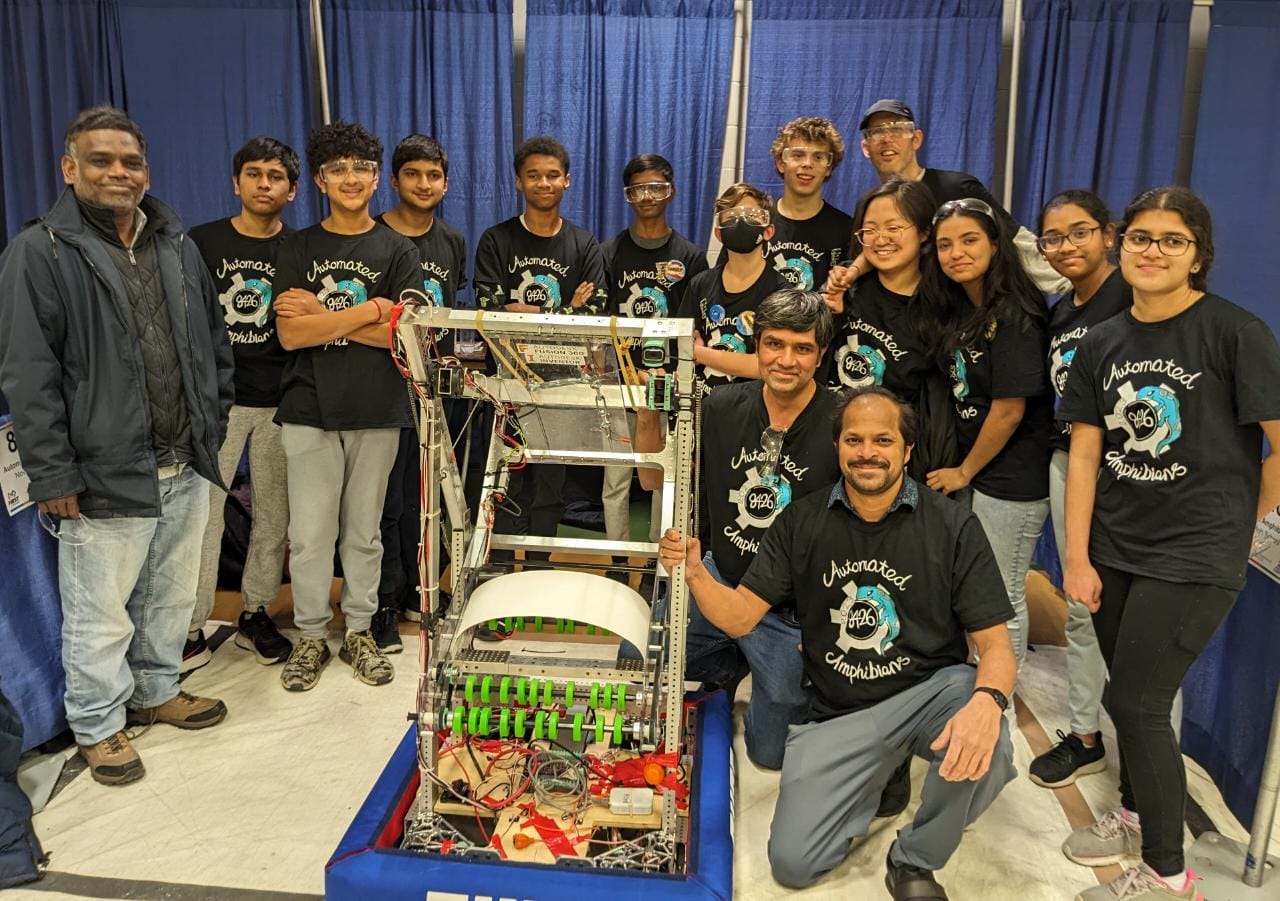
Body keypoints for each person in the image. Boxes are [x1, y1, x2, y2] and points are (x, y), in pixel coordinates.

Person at [658, 386, 1016, 897]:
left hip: (927, 695)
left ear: (907, 450)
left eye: (883, 440)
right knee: (793, 863)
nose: (867, 452)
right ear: (838, 447)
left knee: (988, 735)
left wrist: (988, 702)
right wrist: (696, 573)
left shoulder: (952, 525)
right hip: (838, 712)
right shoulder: (801, 521)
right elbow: (739, 618)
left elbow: (996, 645)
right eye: (854, 440)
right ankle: (875, 773)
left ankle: (914, 859)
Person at [1058, 186, 1280, 901]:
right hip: (1116, 547)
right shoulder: (1103, 341)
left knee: (1140, 704)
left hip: (1193, 556)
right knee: (1128, 695)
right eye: (1141, 237)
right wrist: (1076, 556)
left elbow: (1279, 446)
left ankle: (1168, 876)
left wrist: (1237, 525)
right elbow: (1085, 455)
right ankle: (1134, 812)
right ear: (1121, 245)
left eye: (1172, 240)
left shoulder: (1236, 332)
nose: (1153, 251)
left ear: (1198, 256)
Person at [0, 106, 232, 785]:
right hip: (102, 470)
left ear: (146, 172)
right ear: (69, 169)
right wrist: (51, 474)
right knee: (98, 614)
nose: (118, 173)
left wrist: (211, 424)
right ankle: (99, 725)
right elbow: (28, 375)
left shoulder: (176, 243)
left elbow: (213, 342)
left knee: (168, 597)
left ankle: (155, 691)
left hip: (183, 460)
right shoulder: (39, 252)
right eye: (100, 161)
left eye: (130, 162)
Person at [638, 290, 839, 770]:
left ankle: (755, 661)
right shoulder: (721, 406)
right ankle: (729, 659)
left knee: (770, 755)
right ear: (757, 346)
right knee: (638, 662)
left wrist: (825, 624)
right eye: (774, 344)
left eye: (802, 348)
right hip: (720, 578)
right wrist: (647, 411)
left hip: (791, 611)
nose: (785, 360)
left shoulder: (844, 421)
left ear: (821, 356)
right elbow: (650, 479)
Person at [272, 120, 422, 692]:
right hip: (308, 407)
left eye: (362, 168)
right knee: (310, 534)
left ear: (377, 178)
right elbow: (291, 336)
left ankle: (358, 629)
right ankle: (311, 635)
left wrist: (324, 315)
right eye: (338, 169)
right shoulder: (298, 247)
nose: (351, 178)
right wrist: (369, 310)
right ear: (319, 180)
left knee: (364, 532)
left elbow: (401, 339)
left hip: (377, 408)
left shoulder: (397, 249)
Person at [1025, 189, 1132, 789]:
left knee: (1138, 613)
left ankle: (1146, 751)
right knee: (1081, 599)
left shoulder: (1134, 296)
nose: (1066, 246)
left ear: (1108, 235)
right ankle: (1086, 735)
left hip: (1133, 470)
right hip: (1072, 462)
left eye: (1079, 232)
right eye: (1053, 238)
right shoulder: (1062, 310)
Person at [919, 197, 1051, 669]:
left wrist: (964, 471)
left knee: (1001, 593)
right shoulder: (962, 306)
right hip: (982, 469)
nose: (956, 253)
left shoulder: (1014, 313)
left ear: (996, 244)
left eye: (969, 240)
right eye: (945, 245)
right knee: (977, 588)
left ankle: (999, 698)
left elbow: (1010, 410)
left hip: (1012, 475)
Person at [187, 136, 299, 673]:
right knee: (203, 517)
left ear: (292, 190)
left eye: (275, 177)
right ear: (236, 183)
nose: (263, 184)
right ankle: (189, 626)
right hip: (219, 403)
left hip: (281, 401)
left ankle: (255, 613)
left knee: (274, 517)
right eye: (253, 174)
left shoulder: (300, 249)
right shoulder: (201, 242)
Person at [473, 136, 607, 552]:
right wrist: (565, 308)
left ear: (567, 180)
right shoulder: (497, 240)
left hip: (563, 384)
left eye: (552, 175)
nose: (543, 183)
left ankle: (538, 566)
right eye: (533, 176)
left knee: (551, 484)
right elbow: (489, 309)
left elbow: (594, 313)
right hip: (506, 382)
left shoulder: (583, 244)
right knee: (503, 479)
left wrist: (524, 310)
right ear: (519, 182)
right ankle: (497, 571)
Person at [370, 134, 468, 651]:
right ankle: (382, 601)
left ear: (445, 184)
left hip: (434, 390)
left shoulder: (451, 240)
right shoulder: (375, 235)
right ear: (394, 180)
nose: (423, 184)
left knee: (422, 499)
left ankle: (417, 590)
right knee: (384, 502)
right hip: (382, 388)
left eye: (433, 176)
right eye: (413, 174)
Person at [836, 98, 1066, 295]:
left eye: (897, 129)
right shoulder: (873, 205)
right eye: (876, 132)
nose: (887, 139)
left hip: (957, 318)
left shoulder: (959, 188)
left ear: (916, 139)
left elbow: (1016, 243)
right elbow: (870, 255)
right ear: (865, 148)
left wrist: (1072, 285)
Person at [601, 154, 708, 553]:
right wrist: (619, 371)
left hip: (670, 382)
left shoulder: (690, 256)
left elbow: (693, 325)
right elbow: (603, 322)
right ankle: (616, 556)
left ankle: (657, 561)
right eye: (638, 189)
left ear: (671, 192)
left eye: (656, 188)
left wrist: (674, 374)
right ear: (627, 196)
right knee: (616, 477)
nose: (647, 196)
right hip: (621, 380)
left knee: (665, 475)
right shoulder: (609, 252)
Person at [826, 178, 948, 481]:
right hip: (827, 444)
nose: (881, 239)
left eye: (894, 228)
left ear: (924, 232)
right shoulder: (846, 287)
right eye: (870, 230)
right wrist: (833, 312)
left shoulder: (941, 310)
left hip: (888, 462)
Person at [677, 183, 790, 393]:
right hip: (704, 403)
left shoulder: (781, 293)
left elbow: (767, 366)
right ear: (718, 233)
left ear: (768, 231)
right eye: (731, 217)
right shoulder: (700, 285)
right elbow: (682, 349)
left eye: (751, 216)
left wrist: (701, 353)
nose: (741, 222)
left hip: (754, 405)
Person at [718, 118, 852, 294]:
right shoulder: (753, 222)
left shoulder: (845, 229)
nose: (807, 164)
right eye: (798, 155)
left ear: (829, 167)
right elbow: (722, 284)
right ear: (780, 163)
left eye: (818, 157)